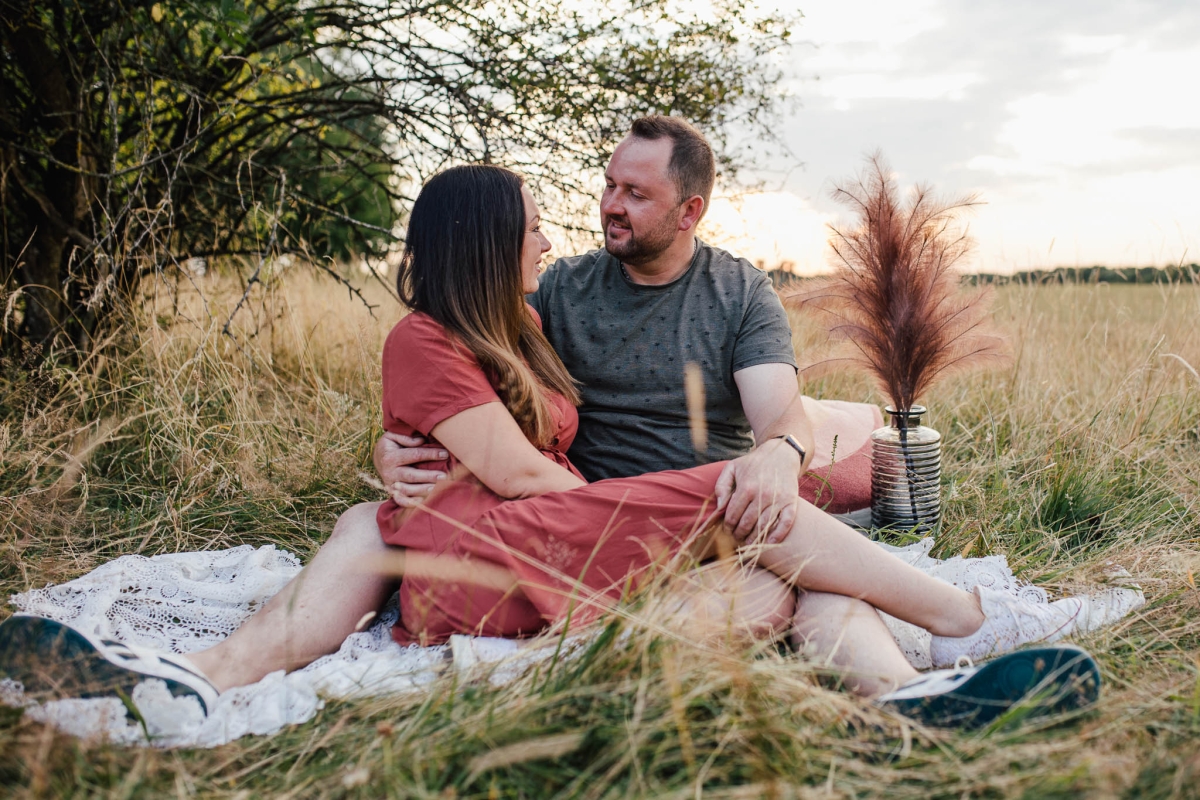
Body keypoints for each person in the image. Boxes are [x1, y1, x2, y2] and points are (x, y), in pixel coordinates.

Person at [0, 164, 1103, 730]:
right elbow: (523, 470)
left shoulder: (532, 323)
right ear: (490, 238)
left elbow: (784, 405)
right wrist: (662, 496)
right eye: (533, 219)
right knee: (737, 499)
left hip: (537, 542)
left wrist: (806, 442)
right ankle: (964, 620)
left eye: (627, 194)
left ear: (694, 203)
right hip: (498, 544)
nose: (557, 230)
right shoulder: (429, 333)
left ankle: (902, 693)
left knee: (767, 580)